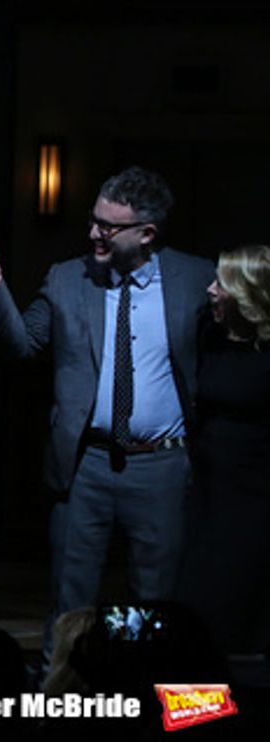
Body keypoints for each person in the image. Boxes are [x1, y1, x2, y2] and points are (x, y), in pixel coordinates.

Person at [0, 165, 215, 663]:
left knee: (156, 600)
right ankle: (59, 702)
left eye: (108, 227)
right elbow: (22, 343)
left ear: (147, 234)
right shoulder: (68, 279)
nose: (94, 233)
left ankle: (149, 700)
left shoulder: (196, 279)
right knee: (71, 599)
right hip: (85, 466)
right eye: (94, 220)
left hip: (160, 466)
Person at [178, 244, 270, 652]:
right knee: (196, 615)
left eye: (223, 283)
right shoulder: (208, 337)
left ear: (248, 292)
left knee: (243, 617)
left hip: (255, 508)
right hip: (206, 499)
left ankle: (248, 713)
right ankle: (195, 715)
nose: (211, 290)